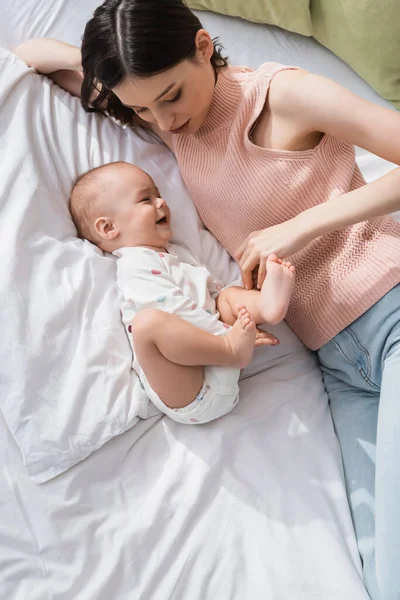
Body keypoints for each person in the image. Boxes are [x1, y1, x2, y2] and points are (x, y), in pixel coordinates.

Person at [13, 2, 400, 597]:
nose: (162, 122)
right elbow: (39, 57)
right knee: (378, 571)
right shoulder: (170, 121)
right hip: (343, 367)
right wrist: (88, 72)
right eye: (141, 109)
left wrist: (303, 226)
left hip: (391, 305)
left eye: (169, 97)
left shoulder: (283, 96)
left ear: (202, 47)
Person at [69, 160, 294, 424]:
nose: (162, 203)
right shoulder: (133, 264)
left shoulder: (177, 253)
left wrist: (236, 310)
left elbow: (210, 292)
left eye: (159, 195)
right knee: (147, 324)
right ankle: (229, 348)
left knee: (227, 295)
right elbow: (172, 309)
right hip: (189, 390)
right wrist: (225, 336)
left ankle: (268, 305)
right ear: (108, 228)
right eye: (145, 199)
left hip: (220, 361)